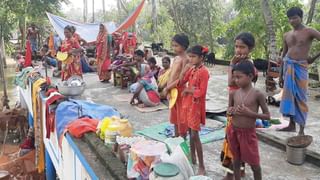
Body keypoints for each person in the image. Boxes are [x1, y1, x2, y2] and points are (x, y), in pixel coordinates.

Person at [278, 7, 320, 135]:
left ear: (301, 17)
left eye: (295, 17)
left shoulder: (309, 31)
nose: (292, 21)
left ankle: (301, 129)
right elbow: (283, 56)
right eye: (290, 18)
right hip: (288, 67)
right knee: (289, 97)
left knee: (301, 98)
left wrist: (313, 57)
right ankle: (291, 125)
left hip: (301, 68)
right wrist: (280, 75)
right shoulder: (287, 35)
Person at [222, 32, 258, 180]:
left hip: (241, 110)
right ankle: (239, 170)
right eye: (236, 46)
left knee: (233, 142)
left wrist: (231, 64)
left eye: (242, 47)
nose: (238, 50)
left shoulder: (248, 65)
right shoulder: (239, 64)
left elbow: (231, 83)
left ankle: (231, 175)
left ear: (250, 49)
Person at [227, 61, 270, 180]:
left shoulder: (258, 94)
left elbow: (267, 116)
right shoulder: (233, 93)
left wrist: (250, 114)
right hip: (233, 131)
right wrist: (231, 111)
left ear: (250, 76)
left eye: (239, 77)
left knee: (255, 165)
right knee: (236, 160)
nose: (236, 80)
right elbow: (228, 110)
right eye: (234, 77)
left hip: (248, 133)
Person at [179, 45, 210, 175]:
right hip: (188, 105)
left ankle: (202, 166)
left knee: (194, 135)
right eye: (189, 56)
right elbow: (181, 81)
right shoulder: (192, 69)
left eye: (193, 57)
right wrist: (184, 69)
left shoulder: (204, 72)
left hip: (196, 106)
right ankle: (193, 159)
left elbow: (201, 92)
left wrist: (188, 90)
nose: (190, 59)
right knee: (190, 133)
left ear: (201, 58)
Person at [163, 33, 190, 137]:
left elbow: (181, 79)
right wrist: (168, 88)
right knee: (174, 116)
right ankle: (176, 135)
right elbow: (172, 74)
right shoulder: (176, 58)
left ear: (183, 46)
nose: (173, 47)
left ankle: (182, 137)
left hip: (180, 91)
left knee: (181, 116)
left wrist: (168, 87)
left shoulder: (186, 59)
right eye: (173, 45)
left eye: (176, 45)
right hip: (172, 90)